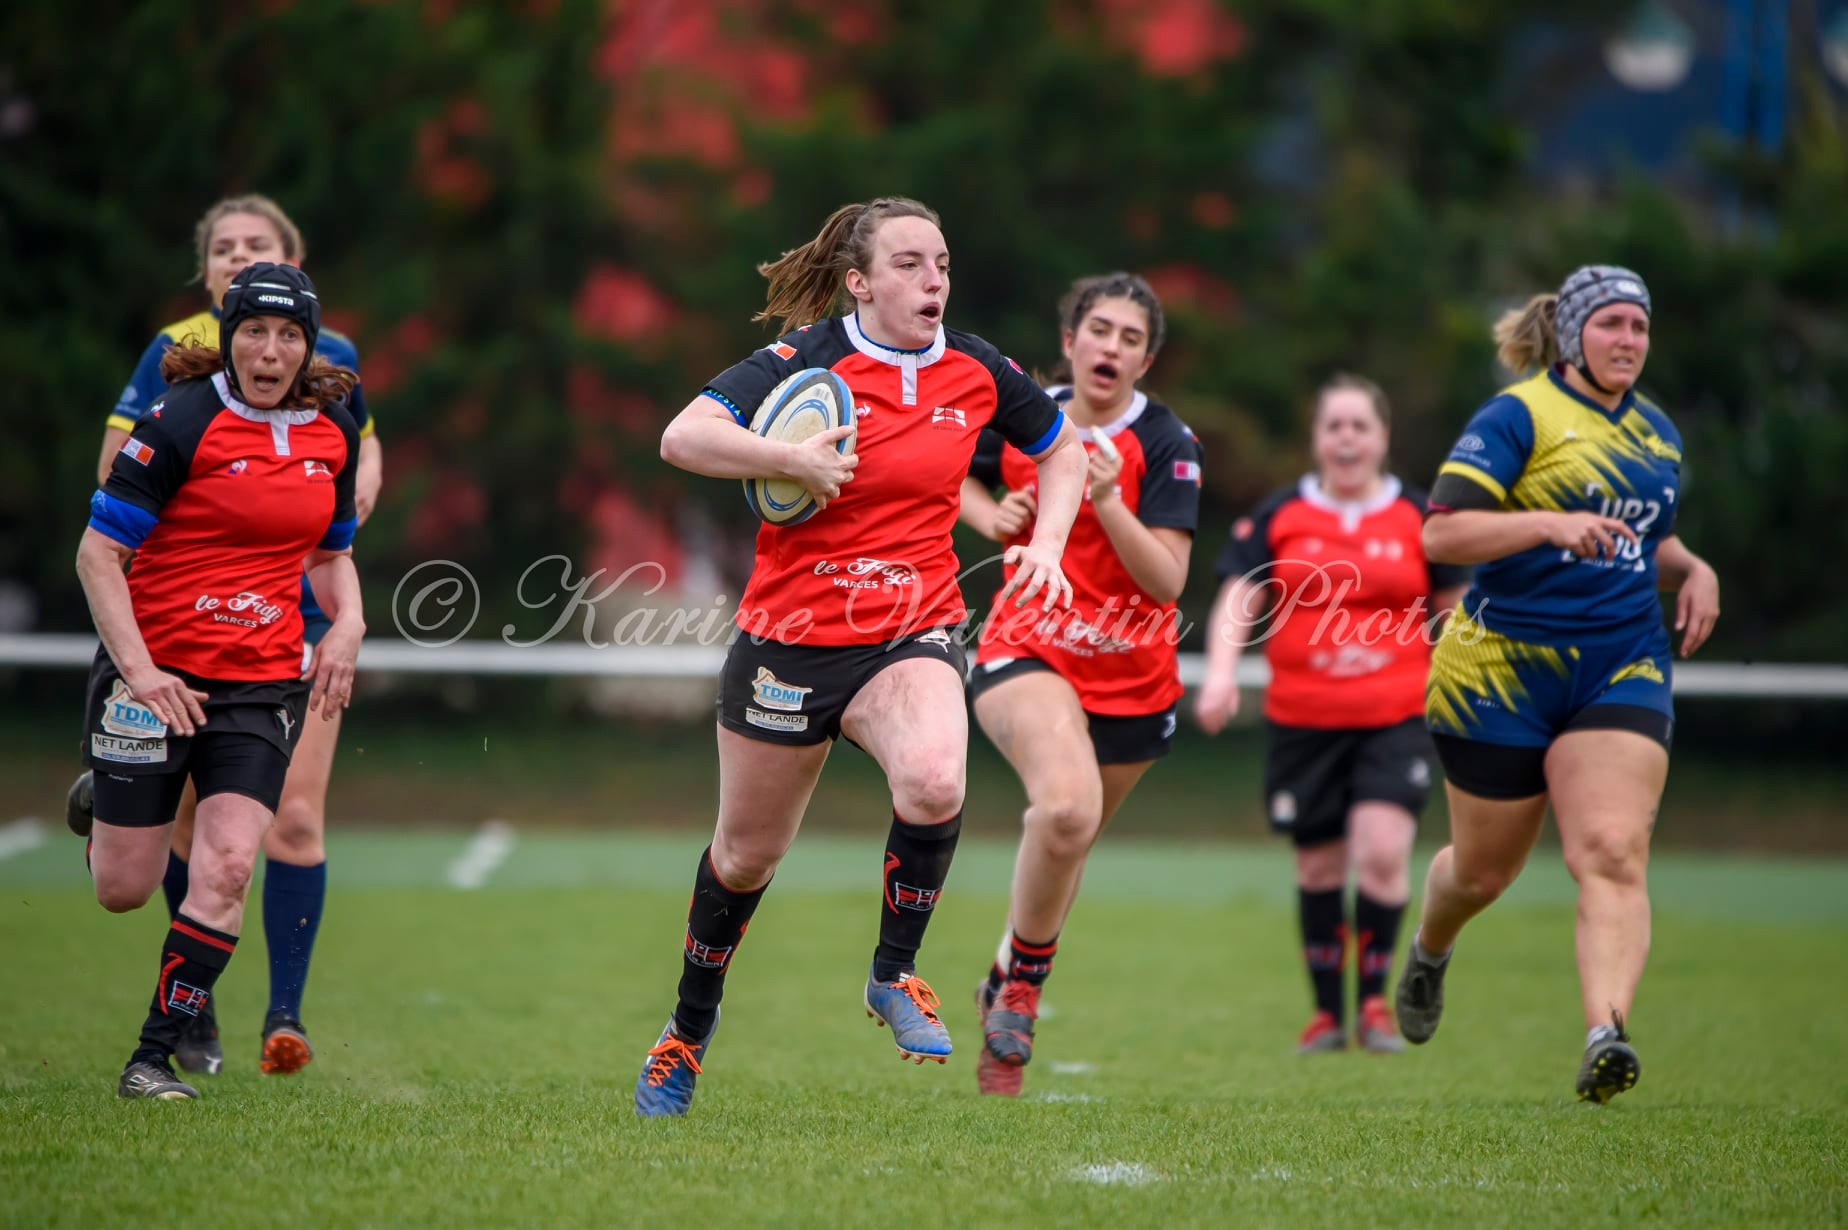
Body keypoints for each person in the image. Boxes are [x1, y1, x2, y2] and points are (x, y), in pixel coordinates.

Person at [636, 197, 1087, 1117]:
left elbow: (1064, 448)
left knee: (933, 780)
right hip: (789, 643)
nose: (934, 284)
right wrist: (788, 460)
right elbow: (682, 436)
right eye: (912, 266)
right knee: (745, 857)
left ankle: (894, 974)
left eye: (943, 264)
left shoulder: (977, 367)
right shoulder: (806, 361)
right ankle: (684, 1035)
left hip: (911, 628)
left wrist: (1046, 541)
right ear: (860, 281)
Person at [70, 194, 382, 1078]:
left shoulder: (329, 431)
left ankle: (154, 1057)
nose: (270, 353)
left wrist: (349, 624)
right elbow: (98, 557)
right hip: (154, 672)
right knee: (124, 890)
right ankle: (107, 799)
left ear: (308, 347)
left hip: (259, 681)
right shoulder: (176, 419)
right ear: (228, 333)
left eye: (288, 338)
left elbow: (332, 554)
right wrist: (140, 674)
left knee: (231, 863)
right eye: (254, 334)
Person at [1395, 265, 1720, 1104]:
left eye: (1640, 328)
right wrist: (1545, 522)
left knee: (1611, 852)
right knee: (1481, 874)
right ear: (1574, 334)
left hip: (1621, 661)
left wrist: (1692, 567)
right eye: (1612, 325)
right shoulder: (1519, 416)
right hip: (1498, 670)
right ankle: (1430, 950)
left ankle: (1604, 1033)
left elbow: (1645, 540)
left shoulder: (1658, 434)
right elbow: (1443, 534)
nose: (1629, 342)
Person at [961, 273, 1201, 1097]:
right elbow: (947, 466)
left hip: (1134, 682)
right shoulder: (1025, 411)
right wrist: (984, 515)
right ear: (1070, 341)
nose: (1112, 347)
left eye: (1131, 338)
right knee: (1065, 810)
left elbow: (1167, 582)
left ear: (1146, 360)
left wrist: (1107, 504)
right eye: (1099, 330)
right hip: (1025, 646)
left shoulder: (1167, 443)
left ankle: (1001, 978)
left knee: (1068, 841)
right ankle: (1023, 992)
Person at [1195, 375, 1471, 1054]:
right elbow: (1240, 594)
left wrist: (1474, 690)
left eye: (1360, 426)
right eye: (1334, 427)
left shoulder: (1417, 517)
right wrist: (1221, 676)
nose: (1346, 438)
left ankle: (1375, 1007)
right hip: (1302, 720)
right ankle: (1326, 1016)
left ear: (1383, 437)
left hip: (1395, 716)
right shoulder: (1282, 514)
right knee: (1318, 869)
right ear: (1317, 440)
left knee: (1381, 856)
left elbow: (1457, 615)